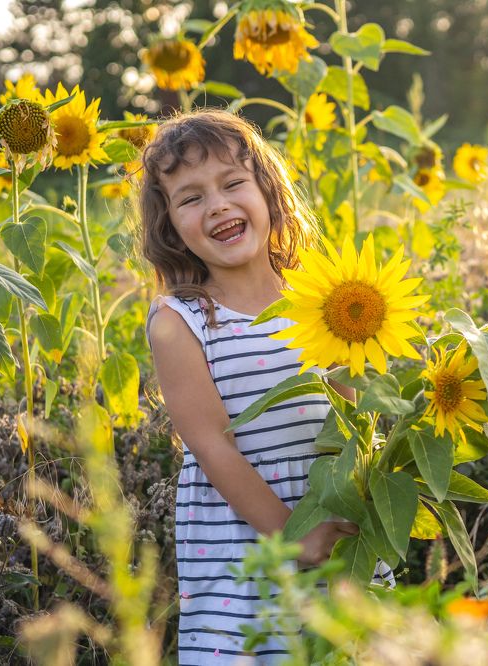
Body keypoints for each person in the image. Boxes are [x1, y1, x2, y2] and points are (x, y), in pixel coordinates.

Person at [140, 110, 393, 664]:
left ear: (268, 192)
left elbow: (347, 419)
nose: (219, 206)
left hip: (334, 518)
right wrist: (289, 535)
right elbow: (211, 446)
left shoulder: (320, 298)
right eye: (190, 198)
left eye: (233, 183)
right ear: (169, 226)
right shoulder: (181, 320)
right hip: (246, 540)